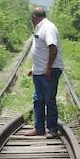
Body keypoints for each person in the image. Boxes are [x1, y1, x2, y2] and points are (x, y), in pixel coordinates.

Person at [25, 7, 64, 139]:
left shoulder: (48, 27)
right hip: (40, 71)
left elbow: (53, 48)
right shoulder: (40, 28)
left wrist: (48, 68)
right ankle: (39, 128)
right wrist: (34, 67)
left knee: (49, 100)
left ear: (35, 16)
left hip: (49, 71)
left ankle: (52, 129)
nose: (31, 20)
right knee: (38, 100)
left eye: (32, 17)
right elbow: (40, 51)